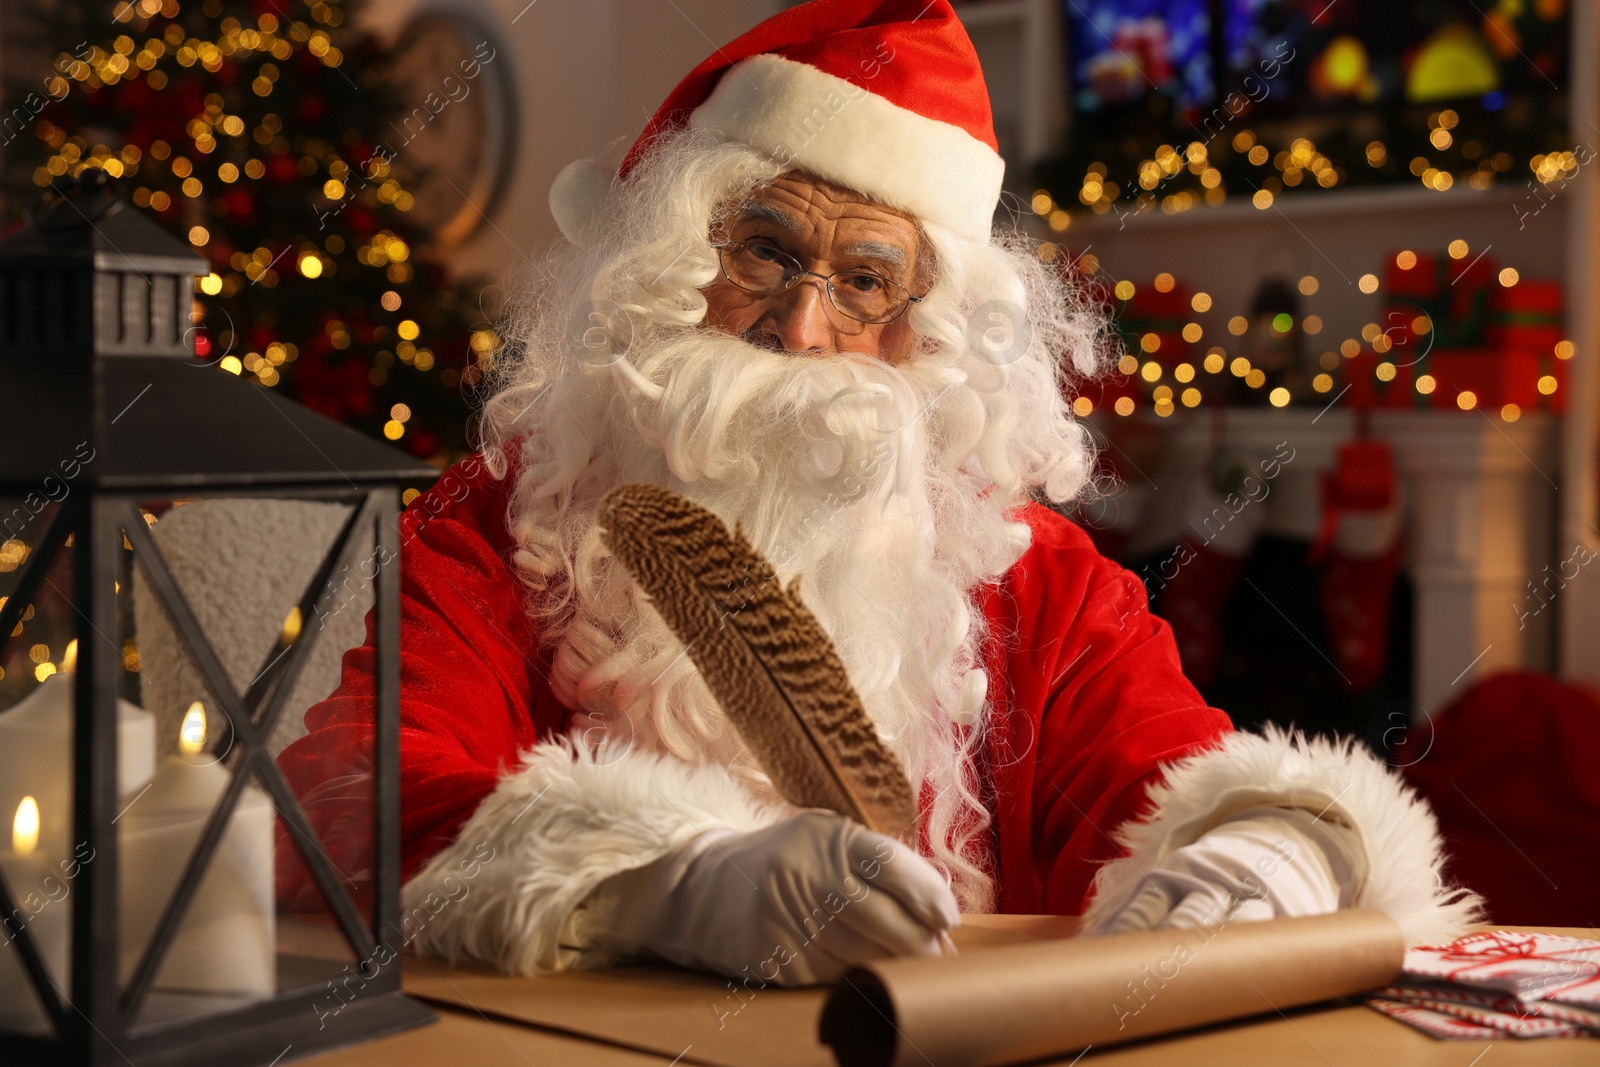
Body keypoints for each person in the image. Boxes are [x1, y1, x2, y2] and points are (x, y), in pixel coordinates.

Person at [277, 0, 1479, 986]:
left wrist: (1272, 848)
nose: (802, 329)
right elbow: (352, 795)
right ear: (671, 256)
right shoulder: (502, 524)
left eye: (863, 279)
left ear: (927, 330)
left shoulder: (1032, 574)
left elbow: (1162, 770)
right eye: (765, 250)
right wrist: (662, 884)